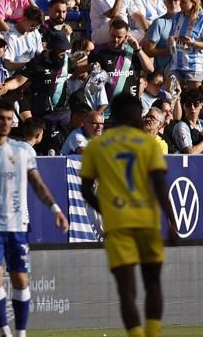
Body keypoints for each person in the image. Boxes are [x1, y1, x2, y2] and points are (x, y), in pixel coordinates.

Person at [0, 100, 70, 337]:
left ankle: (21, 333)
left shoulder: (22, 151)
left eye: (10, 119)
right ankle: (5, 331)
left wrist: (56, 210)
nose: (6, 123)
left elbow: (37, 184)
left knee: (20, 278)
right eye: (0, 118)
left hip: (17, 224)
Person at [79, 93, 179, 337]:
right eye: (138, 112)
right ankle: (152, 333)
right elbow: (160, 187)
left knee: (127, 289)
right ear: (132, 114)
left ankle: (136, 334)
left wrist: (105, 209)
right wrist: (172, 221)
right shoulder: (147, 144)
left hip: (118, 225)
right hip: (146, 222)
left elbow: (85, 189)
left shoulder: (96, 146)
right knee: (152, 282)